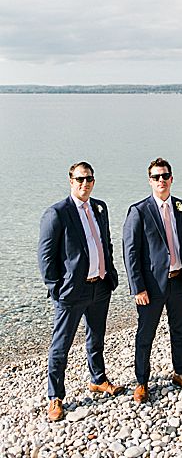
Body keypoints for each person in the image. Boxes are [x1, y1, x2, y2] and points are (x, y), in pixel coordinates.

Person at [38, 161, 126, 421]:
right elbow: (45, 257)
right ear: (70, 180)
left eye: (88, 179)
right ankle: (55, 396)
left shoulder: (100, 207)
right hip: (71, 293)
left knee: (96, 337)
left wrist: (109, 272)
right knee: (60, 345)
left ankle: (98, 379)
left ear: (93, 181)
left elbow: (105, 242)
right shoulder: (57, 213)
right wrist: (57, 289)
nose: (84, 184)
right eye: (79, 179)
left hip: (99, 286)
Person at [122, 158, 182, 402]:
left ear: (171, 178)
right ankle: (142, 381)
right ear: (150, 181)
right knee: (146, 334)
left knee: (179, 330)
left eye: (165, 176)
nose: (161, 181)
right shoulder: (139, 210)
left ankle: (180, 372)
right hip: (152, 286)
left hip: (179, 282)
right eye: (156, 177)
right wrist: (138, 287)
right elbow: (130, 251)